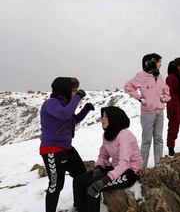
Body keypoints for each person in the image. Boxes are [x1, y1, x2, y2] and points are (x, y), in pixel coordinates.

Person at [40, 77, 95, 212]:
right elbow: (64, 114)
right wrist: (78, 98)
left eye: (76, 91)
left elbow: (72, 120)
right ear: (64, 90)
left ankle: (79, 206)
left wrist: (85, 110)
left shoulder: (66, 105)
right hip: (51, 149)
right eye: (73, 90)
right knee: (56, 185)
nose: (75, 93)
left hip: (66, 148)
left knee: (81, 174)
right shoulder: (50, 104)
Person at [73, 106, 143, 212]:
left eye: (106, 116)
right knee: (78, 180)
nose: (102, 119)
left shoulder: (125, 135)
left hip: (130, 172)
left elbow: (124, 163)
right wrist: (98, 169)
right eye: (102, 116)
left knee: (93, 185)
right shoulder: (107, 134)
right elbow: (103, 156)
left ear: (114, 118)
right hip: (116, 169)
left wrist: (104, 180)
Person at [124, 53, 170, 168]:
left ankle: (158, 166)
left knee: (158, 139)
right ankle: (141, 168)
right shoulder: (141, 76)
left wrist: (164, 99)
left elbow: (166, 91)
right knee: (147, 141)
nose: (161, 64)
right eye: (159, 61)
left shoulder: (160, 77)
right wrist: (139, 98)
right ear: (151, 62)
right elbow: (128, 86)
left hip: (160, 112)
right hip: (147, 113)